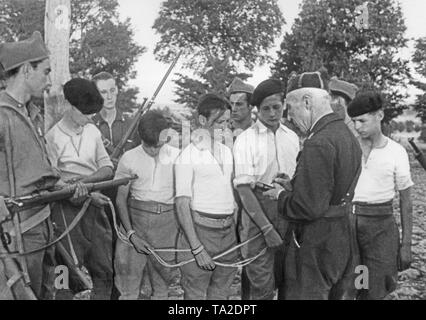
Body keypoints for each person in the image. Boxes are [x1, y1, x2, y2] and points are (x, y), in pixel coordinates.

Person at [265, 70, 362, 300]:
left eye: (290, 107)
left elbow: (308, 207)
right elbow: (333, 188)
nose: (288, 115)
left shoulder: (318, 142)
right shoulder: (346, 135)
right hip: (342, 235)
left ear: (307, 102)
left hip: (315, 242)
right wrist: (293, 185)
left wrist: (280, 195)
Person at [0, 31, 59, 300]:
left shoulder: (30, 112)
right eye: (45, 72)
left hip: (45, 223)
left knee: (53, 290)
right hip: (18, 232)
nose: (48, 81)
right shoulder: (2, 114)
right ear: (26, 70)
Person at [45, 78, 114, 300]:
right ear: (68, 106)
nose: (89, 118)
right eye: (85, 113)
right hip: (65, 214)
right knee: (63, 271)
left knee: (103, 268)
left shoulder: (92, 131)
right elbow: (51, 180)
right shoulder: (52, 137)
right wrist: (73, 187)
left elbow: (107, 168)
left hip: (94, 208)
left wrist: (85, 183)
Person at [233, 79, 299, 300]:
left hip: (288, 211)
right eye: (265, 109)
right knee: (261, 286)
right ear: (256, 109)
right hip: (257, 215)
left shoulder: (292, 137)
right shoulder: (245, 140)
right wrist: (266, 229)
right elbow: (244, 191)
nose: (272, 113)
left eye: (276, 107)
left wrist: (290, 185)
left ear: (284, 105)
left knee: (289, 282)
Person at [347, 91, 413, 300]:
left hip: (380, 227)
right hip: (347, 224)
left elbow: (406, 199)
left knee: (376, 287)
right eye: (354, 121)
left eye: (363, 121)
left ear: (380, 115)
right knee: (350, 284)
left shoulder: (396, 152)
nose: (357, 127)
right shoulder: (348, 147)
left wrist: (406, 245)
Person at [174, 93, 238, 300]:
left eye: (228, 122)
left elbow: (231, 196)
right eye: (220, 122)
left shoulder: (228, 152)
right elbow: (182, 204)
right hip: (200, 232)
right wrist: (196, 247)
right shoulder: (187, 156)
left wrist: (235, 236)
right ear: (202, 121)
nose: (226, 128)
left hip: (227, 235)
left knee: (221, 295)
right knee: (195, 296)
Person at [113, 110, 181, 300]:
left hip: (167, 226)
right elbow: (120, 199)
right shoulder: (129, 158)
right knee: (128, 286)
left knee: (162, 287)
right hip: (136, 223)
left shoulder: (178, 157)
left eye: (158, 146)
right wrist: (131, 234)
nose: (153, 151)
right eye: (148, 146)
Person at [92, 71, 140, 159]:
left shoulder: (131, 124)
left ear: (117, 89)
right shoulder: (90, 125)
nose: (109, 97)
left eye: (112, 90)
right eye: (103, 92)